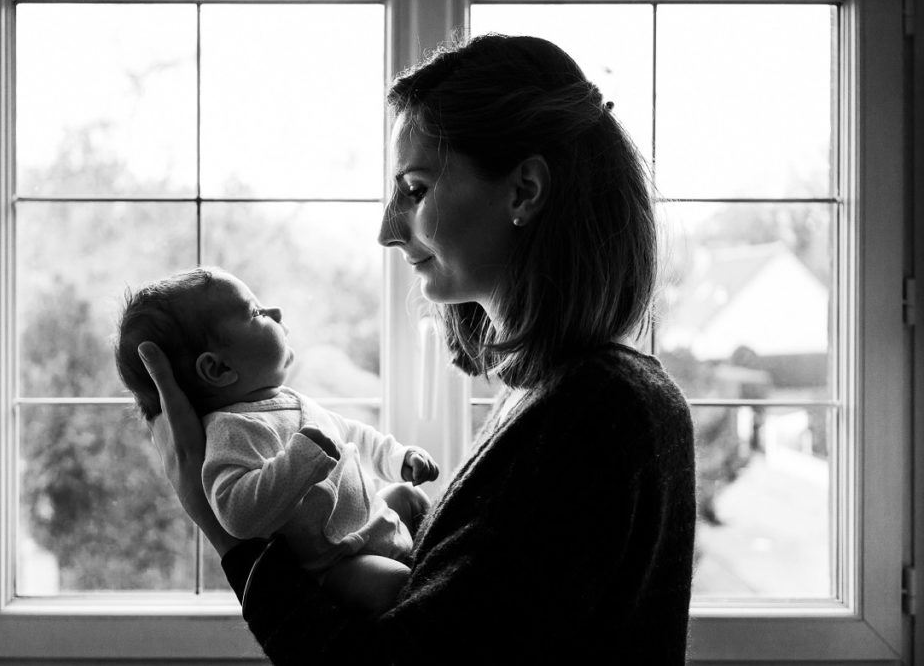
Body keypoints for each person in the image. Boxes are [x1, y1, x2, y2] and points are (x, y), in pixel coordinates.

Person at [139, 33, 696, 664]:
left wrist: (222, 527)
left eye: (415, 189)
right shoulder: (552, 393)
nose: (386, 229)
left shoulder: (597, 411)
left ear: (524, 190)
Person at [115, 267, 439, 615]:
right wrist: (299, 461)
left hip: (372, 523)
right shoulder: (230, 430)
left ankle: (445, 567)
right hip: (339, 563)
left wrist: (399, 458)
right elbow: (237, 514)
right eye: (256, 313)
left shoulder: (289, 400)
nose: (277, 314)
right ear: (218, 369)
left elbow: (352, 434)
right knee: (396, 585)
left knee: (409, 497)